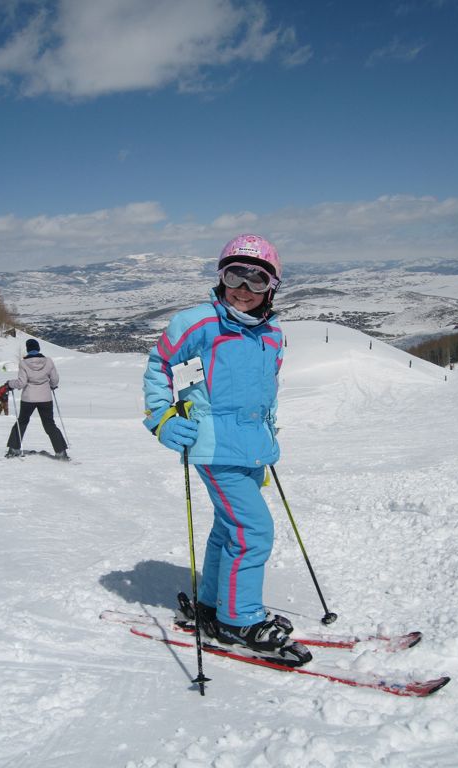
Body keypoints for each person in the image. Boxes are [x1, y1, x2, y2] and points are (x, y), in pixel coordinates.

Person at [143, 234, 308, 660]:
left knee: (228, 527)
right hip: (214, 446)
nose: (244, 289)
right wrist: (162, 417)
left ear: (272, 287)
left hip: (253, 448)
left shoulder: (272, 334)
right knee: (253, 531)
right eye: (235, 276)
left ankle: (215, 605)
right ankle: (239, 619)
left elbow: (266, 389)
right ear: (221, 277)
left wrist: (267, 436)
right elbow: (159, 365)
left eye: (257, 280)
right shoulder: (199, 323)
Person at [4, 339, 69, 459]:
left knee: (22, 422)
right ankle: (61, 452)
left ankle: (14, 449)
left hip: (28, 399)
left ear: (28, 349)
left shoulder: (23, 363)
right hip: (45, 398)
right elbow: (55, 379)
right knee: (49, 424)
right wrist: (52, 386)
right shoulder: (48, 361)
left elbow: (22, 383)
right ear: (38, 348)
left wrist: (10, 384)